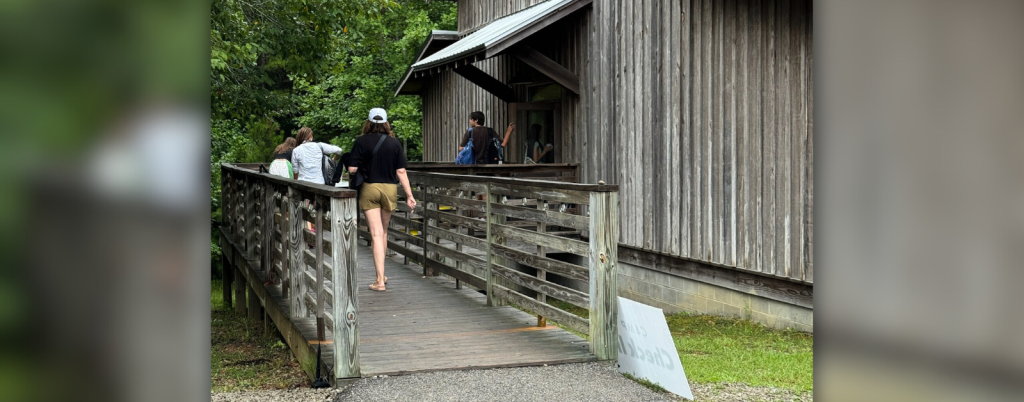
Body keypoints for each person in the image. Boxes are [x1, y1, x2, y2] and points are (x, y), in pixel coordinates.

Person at [349, 108, 416, 292]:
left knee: (376, 234)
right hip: (389, 189)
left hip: (369, 189)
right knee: (384, 232)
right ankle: (382, 275)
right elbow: (401, 171)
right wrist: (410, 196)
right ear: (386, 123)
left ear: (369, 122)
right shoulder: (394, 143)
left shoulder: (361, 141)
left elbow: (352, 169)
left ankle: (379, 280)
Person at [292, 127, 342, 231]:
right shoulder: (319, 146)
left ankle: (308, 230)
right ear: (310, 136)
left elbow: (295, 172)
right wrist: (333, 160)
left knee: (303, 208)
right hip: (319, 184)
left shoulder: (296, 151)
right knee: (317, 206)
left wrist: (295, 182)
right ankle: (316, 230)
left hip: (303, 185)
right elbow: (339, 150)